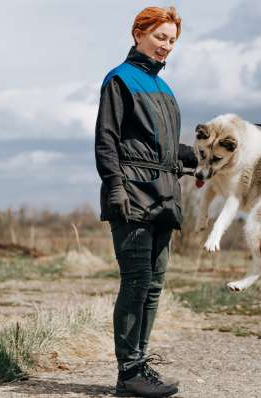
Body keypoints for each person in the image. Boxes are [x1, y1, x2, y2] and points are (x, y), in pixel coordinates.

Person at [94, 6, 196, 398]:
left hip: (166, 196)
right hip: (132, 195)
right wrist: (114, 186)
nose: (166, 46)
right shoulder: (119, 80)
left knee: (154, 285)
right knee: (135, 282)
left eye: (171, 40)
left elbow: (165, 149)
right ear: (139, 33)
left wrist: (197, 157)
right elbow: (107, 140)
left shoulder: (165, 89)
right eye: (160, 37)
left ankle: (140, 365)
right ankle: (129, 374)